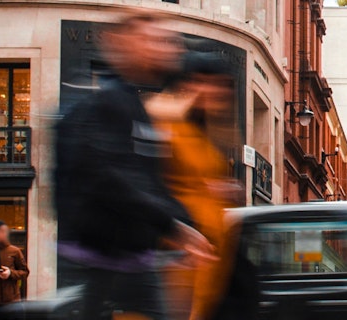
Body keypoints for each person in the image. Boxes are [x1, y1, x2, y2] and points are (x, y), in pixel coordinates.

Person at [53, 10, 215, 320]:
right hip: (96, 261)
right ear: (123, 44)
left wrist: (185, 225)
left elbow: (152, 182)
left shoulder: (134, 105)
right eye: (153, 40)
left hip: (131, 259)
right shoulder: (107, 102)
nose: (167, 48)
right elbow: (113, 178)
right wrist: (175, 227)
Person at [151, 54, 243, 320]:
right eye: (211, 84)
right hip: (180, 254)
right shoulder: (168, 122)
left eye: (224, 86)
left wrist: (221, 189)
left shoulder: (206, 130)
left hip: (205, 258)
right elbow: (153, 183)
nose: (219, 92)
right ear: (193, 83)